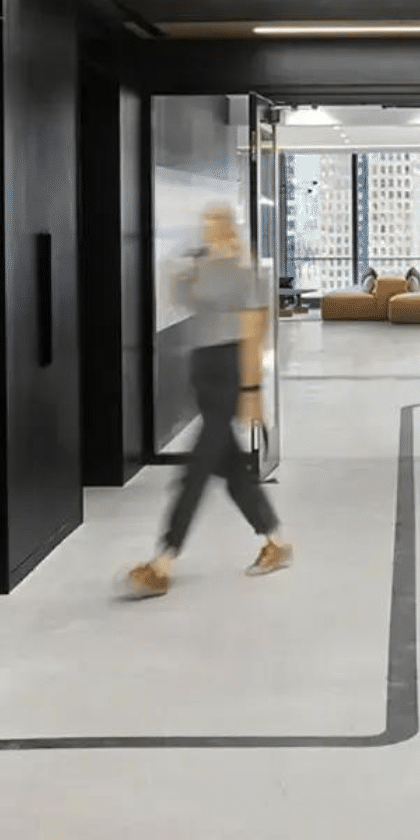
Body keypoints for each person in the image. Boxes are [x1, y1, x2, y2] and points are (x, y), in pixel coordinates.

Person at [125, 203, 292, 598]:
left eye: (216, 222)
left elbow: (254, 332)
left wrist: (252, 392)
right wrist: (178, 270)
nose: (209, 228)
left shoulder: (243, 269)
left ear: (229, 227)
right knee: (231, 468)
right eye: (206, 223)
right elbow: (180, 299)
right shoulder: (202, 265)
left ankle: (164, 558)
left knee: (197, 469)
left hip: (229, 369)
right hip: (202, 369)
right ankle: (275, 542)